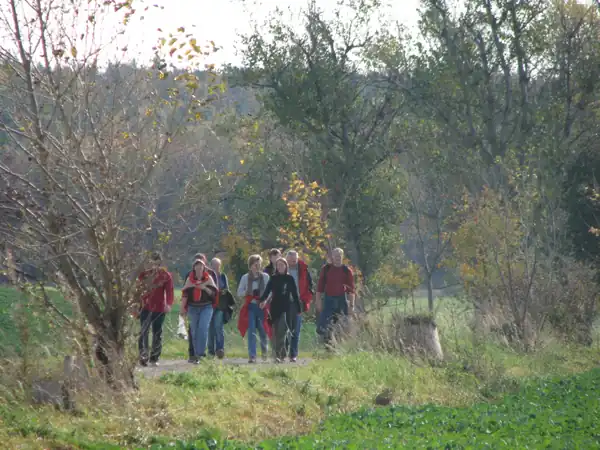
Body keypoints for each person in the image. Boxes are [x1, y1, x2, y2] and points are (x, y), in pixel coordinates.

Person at [259, 257, 301, 363]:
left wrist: (298, 308)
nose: (280, 267)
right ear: (276, 267)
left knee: (282, 330)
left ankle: (278, 354)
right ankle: (279, 354)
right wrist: (262, 300)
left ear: (286, 266)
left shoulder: (289, 278)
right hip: (275, 307)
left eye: (282, 265)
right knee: (275, 332)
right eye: (278, 265)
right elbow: (267, 291)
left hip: (286, 308)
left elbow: (295, 293)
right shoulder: (273, 278)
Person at [136, 252, 174, 367]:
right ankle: (143, 355)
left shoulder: (165, 276)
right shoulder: (144, 275)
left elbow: (169, 291)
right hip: (145, 307)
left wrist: (168, 304)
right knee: (144, 331)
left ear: (160, 263)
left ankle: (154, 357)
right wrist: (136, 304)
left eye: (157, 263)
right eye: (152, 263)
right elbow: (137, 288)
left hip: (159, 308)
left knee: (157, 333)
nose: (154, 266)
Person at [315, 248, 355, 345]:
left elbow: (351, 290)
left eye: (339, 255)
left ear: (342, 256)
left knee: (341, 325)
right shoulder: (326, 269)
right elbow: (320, 287)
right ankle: (328, 345)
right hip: (328, 300)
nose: (337, 257)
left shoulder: (346, 271)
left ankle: (337, 345)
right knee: (323, 326)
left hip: (341, 300)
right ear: (332, 257)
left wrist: (351, 306)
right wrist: (318, 301)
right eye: (335, 255)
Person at [181, 258, 218, 364]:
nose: (199, 269)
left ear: (204, 268)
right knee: (194, 331)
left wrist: (204, 288)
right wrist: (182, 308)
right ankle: (197, 355)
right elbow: (185, 293)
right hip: (193, 307)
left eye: (201, 266)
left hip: (206, 307)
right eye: (197, 266)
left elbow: (214, 294)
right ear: (194, 268)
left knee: (203, 328)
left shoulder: (208, 278)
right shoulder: (189, 279)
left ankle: (201, 354)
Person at [237, 254, 271, 363]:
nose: (257, 266)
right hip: (250, 306)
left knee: (263, 330)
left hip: (262, 307)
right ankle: (252, 355)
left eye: (259, 264)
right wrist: (247, 292)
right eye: (255, 264)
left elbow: (270, 292)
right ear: (250, 265)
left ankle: (264, 352)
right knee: (251, 330)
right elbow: (239, 292)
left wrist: (265, 301)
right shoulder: (245, 277)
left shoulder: (265, 277)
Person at [285, 250, 313, 362]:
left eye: (295, 259)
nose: (293, 262)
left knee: (296, 330)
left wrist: (306, 299)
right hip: (284, 303)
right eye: (291, 260)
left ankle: (293, 354)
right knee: (284, 328)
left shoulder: (303, 270)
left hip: (298, 303)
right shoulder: (281, 269)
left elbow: (310, 286)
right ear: (287, 259)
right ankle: (282, 352)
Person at [207, 257, 231, 359]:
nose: (216, 267)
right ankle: (211, 351)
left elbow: (227, 289)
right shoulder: (207, 276)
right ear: (210, 266)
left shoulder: (223, 276)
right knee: (210, 329)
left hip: (220, 305)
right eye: (214, 265)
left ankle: (220, 349)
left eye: (218, 266)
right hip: (209, 305)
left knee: (218, 327)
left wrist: (222, 291)